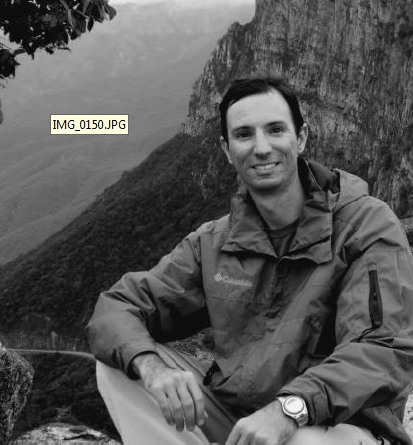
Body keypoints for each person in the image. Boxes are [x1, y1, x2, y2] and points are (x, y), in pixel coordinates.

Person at [86, 77, 413, 445]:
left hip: (341, 426)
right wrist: (152, 369)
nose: (261, 148)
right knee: (120, 364)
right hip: (240, 418)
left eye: (275, 130)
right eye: (244, 135)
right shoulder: (215, 242)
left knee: (304, 441)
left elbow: (382, 348)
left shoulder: (365, 225)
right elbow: (116, 308)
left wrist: (290, 408)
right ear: (227, 150)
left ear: (301, 138)